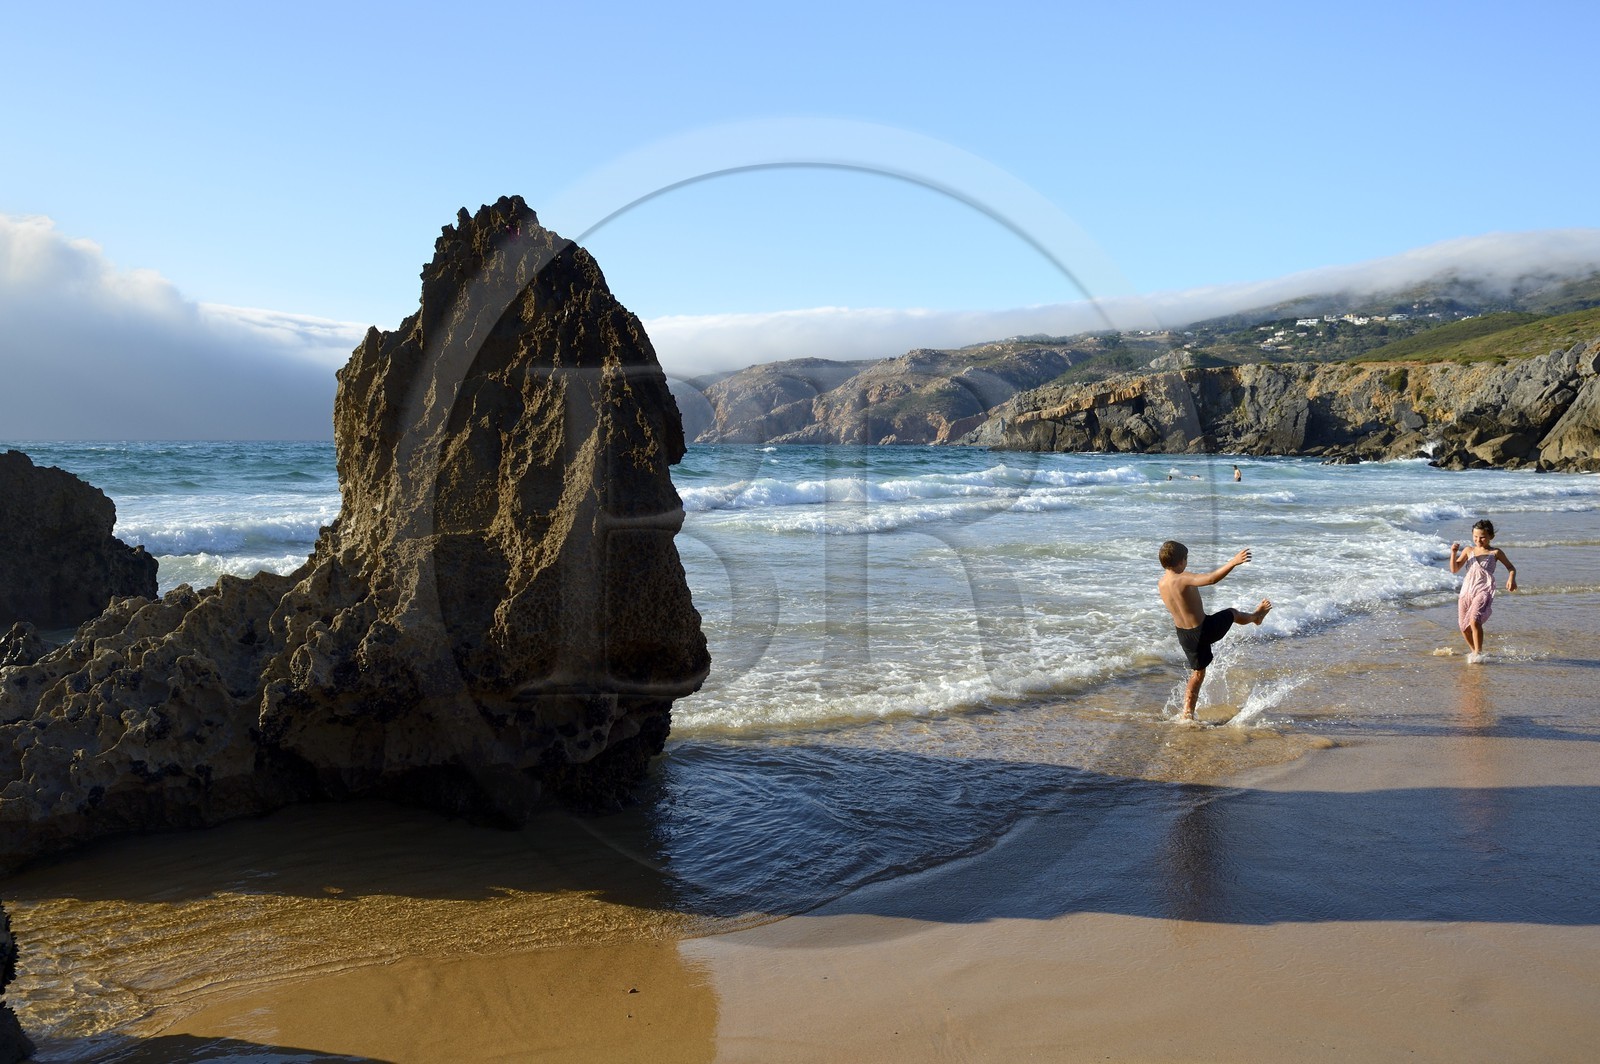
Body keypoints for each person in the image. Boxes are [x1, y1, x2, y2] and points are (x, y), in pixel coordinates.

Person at [1157, 540, 1272, 721]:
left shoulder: (1162, 583)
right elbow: (1211, 579)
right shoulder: (1183, 578)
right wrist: (1233, 562)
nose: (1187, 563)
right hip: (1204, 629)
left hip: (1185, 636)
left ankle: (1187, 713)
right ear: (1180, 562)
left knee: (1198, 673)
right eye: (1186, 559)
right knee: (1233, 613)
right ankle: (1255, 618)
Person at [1450, 519, 1516, 663]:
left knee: (1474, 620)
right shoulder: (1469, 551)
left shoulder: (1495, 552)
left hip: (1484, 590)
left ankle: (1478, 654)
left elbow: (1511, 568)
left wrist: (1511, 578)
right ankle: (1474, 651)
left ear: (1491, 536)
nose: (1478, 540)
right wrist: (1454, 553)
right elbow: (1454, 569)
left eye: (1482, 537)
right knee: (1463, 627)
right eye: (1475, 537)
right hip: (1467, 591)